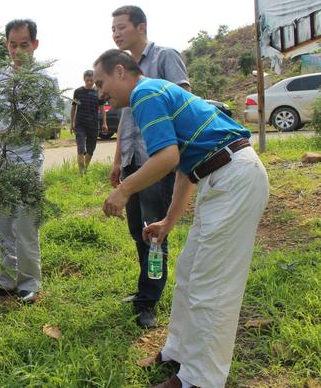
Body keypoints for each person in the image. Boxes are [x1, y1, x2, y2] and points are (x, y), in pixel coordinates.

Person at [94, 49, 268, 388]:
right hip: (217, 176)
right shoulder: (154, 93)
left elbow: (165, 157)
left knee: (211, 286)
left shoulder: (145, 93)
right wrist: (169, 222)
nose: (99, 92)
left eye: (101, 82)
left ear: (120, 71)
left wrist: (124, 190)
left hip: (234, 177)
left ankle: (199, 380)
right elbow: (183, 169)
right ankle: (177, 353)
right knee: (189, 273)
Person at [110, 5, 190, 328]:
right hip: (132, 160)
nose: (115, 33)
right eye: (112, 28)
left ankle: (149, 302)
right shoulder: (123, 68)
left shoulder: (163, 57)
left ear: (141, 27)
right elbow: (126, 119)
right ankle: (146, 288)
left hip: (157, 160)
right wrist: (117, 160)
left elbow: (183, 102)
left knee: (155, 232)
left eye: (121, 27)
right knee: (137, 231)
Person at [0, 18, 60, 304]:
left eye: (24, 44)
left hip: (26, 157)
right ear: (6, 44)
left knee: (25, 222)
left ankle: (29, 282)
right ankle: (6, 278)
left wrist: (22, 127)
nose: (18, 50)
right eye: (13, 44)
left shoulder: (46, 81)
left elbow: (53, 125)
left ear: (35, 45)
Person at [69, 70, 107, 175]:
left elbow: (103, 109)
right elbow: (73, 108)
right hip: (80, 124)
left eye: (91, 80)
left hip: (93, 125)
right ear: (84, 79)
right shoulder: (78, 92)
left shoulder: (98, 92)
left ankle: (85, 169)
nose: (89, 82)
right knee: (81, 148)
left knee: (90, 150)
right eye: (87, 80)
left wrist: (105, 123)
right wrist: (71, 124)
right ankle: (81, 173)